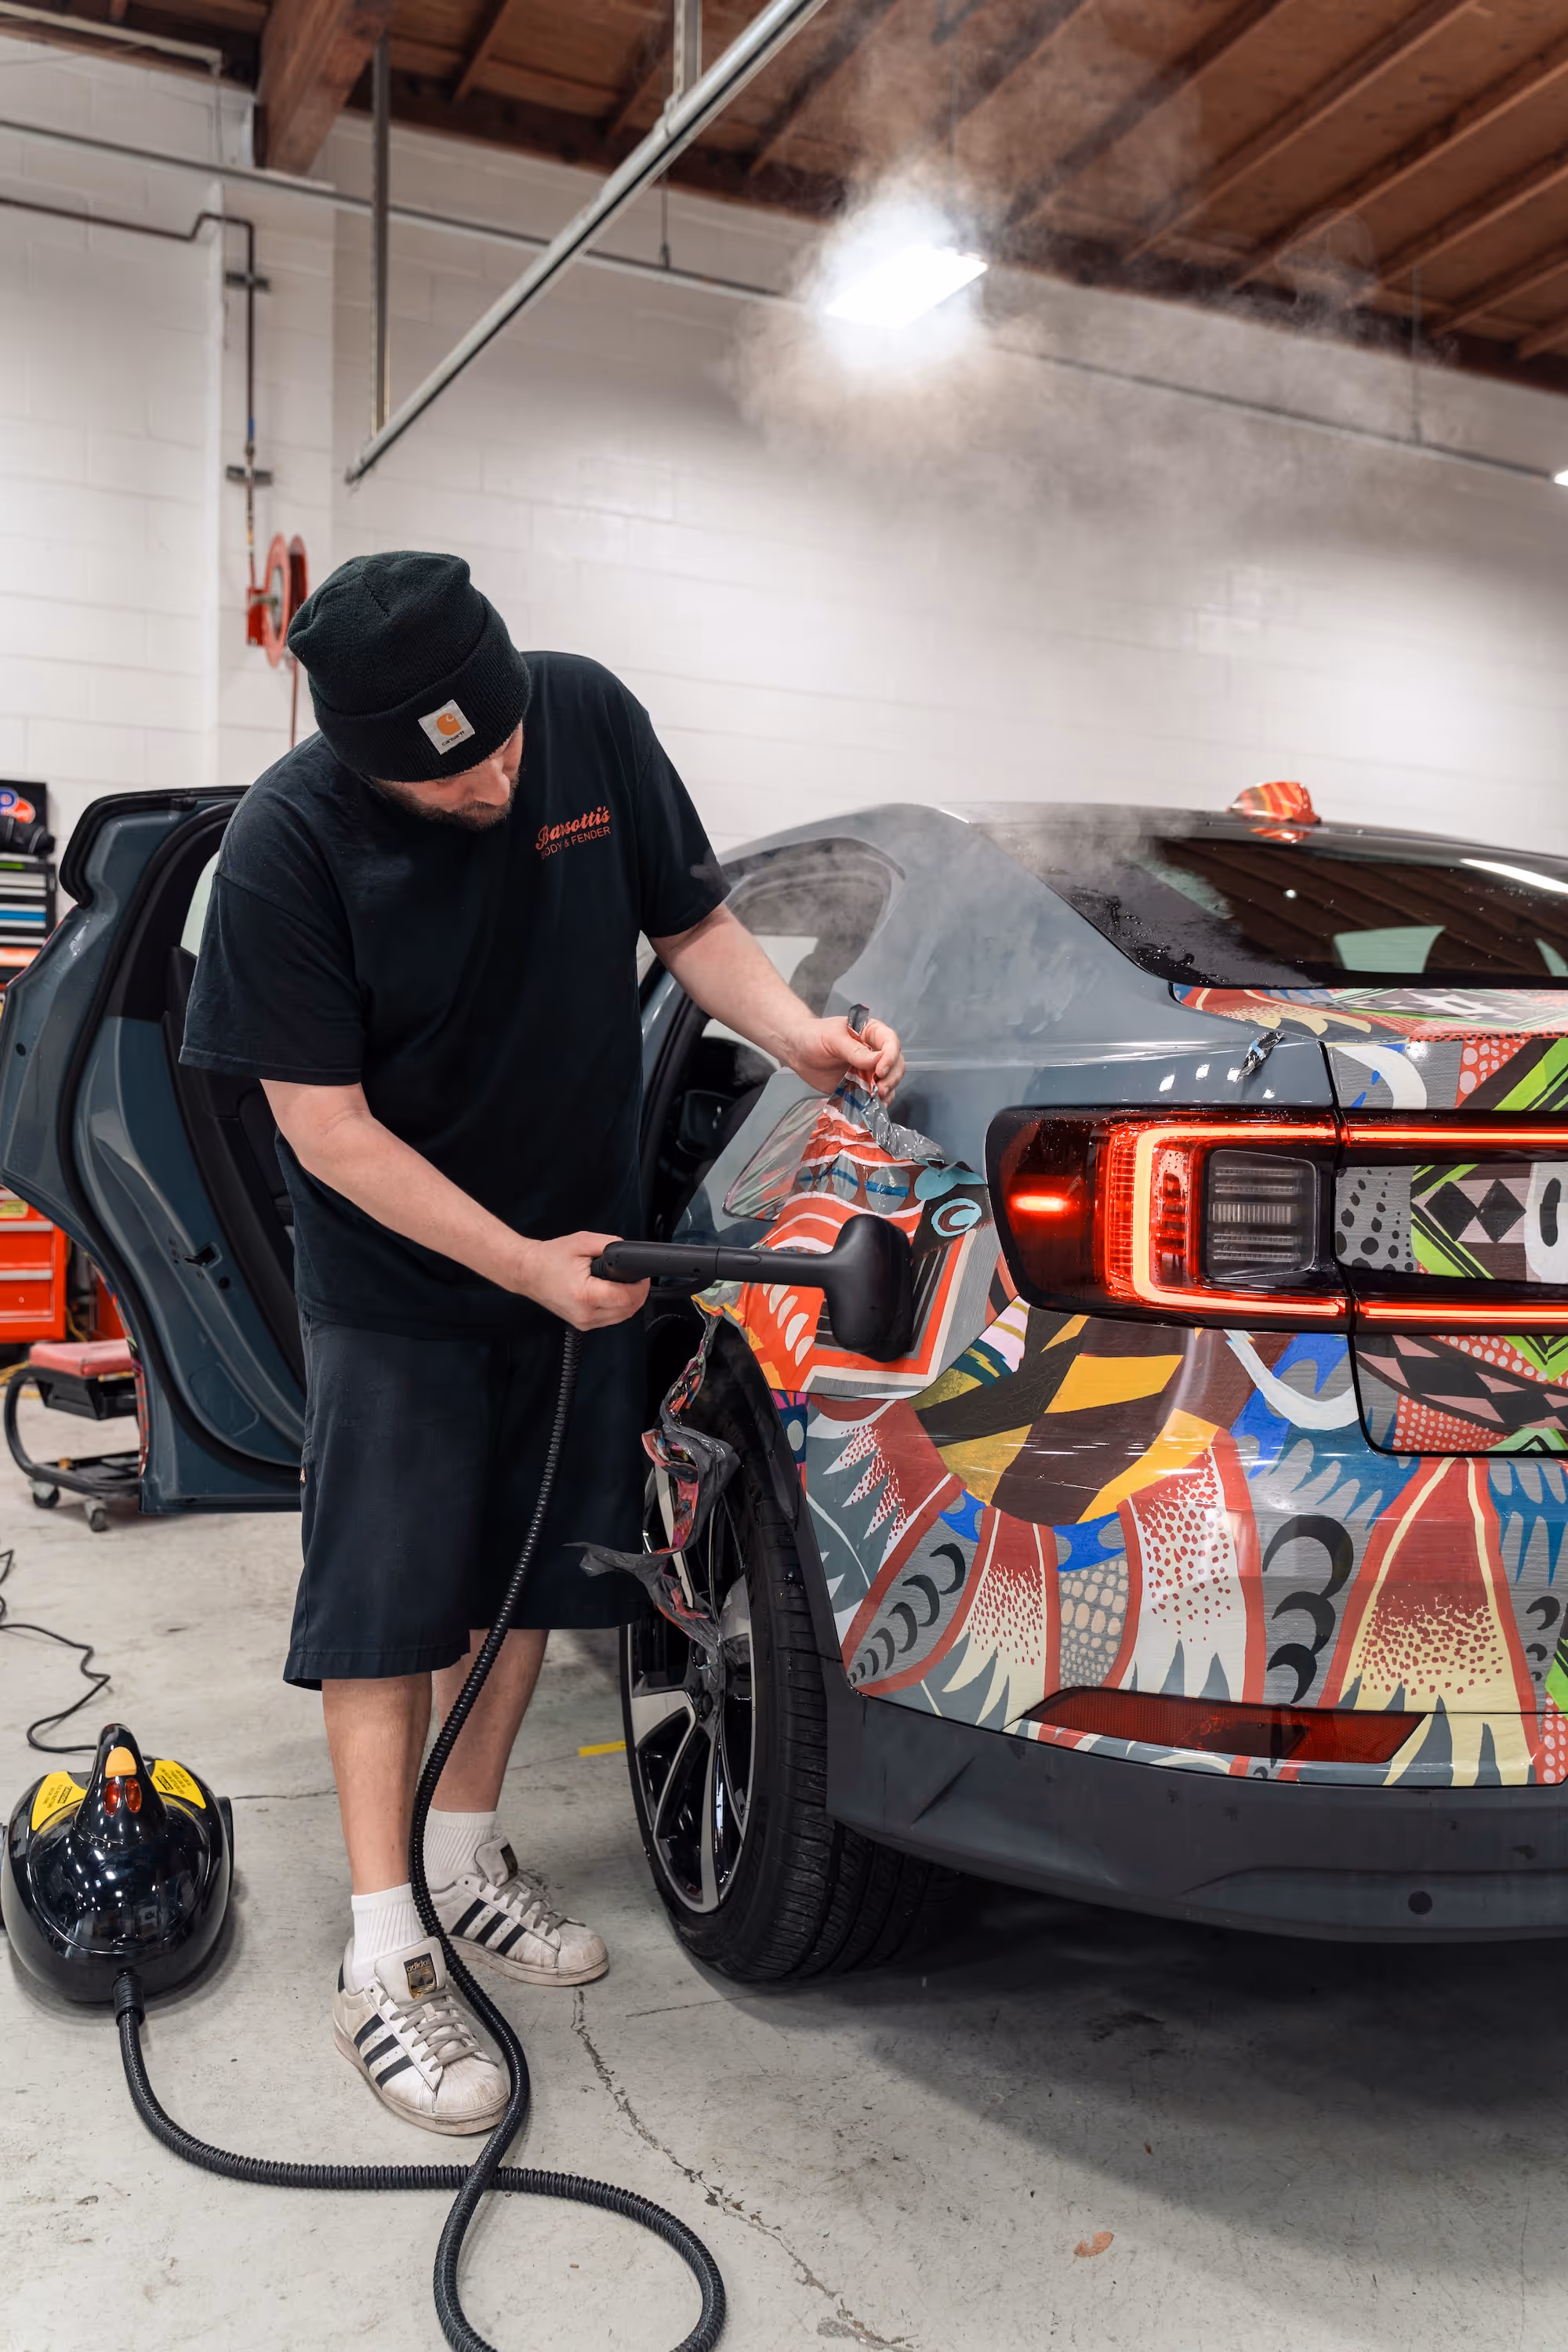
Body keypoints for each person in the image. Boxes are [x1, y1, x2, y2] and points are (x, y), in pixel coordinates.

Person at [180, 551, 904, 2137]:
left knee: (532, 1577)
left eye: (503, 743)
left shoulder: (576, 716)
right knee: (387, 1601)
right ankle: (384, 1951)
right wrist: (513, 1262)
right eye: (448, 773)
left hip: (588, 1252)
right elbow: (322, 1127)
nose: (497, 778)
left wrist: (797, 1035)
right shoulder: (290, 847)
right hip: (407, 1278)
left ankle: (464, 1856)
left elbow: (691, 920)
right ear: (355, 751)